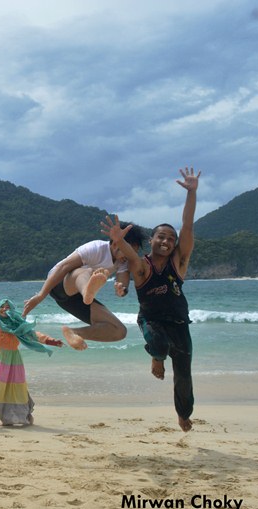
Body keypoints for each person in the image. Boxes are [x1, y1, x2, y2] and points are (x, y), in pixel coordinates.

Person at [102, 166, 200, 433]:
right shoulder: (142, 266)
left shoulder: (179, 262)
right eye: (161, 236)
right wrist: (118, 241)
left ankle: (183, 413)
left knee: (183, 374)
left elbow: (188, 225)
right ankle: (156, 357)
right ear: (152, 240)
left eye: (171, 238)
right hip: (152, 320)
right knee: (158, 342)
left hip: (180, 323)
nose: (166, 241)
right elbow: (129, 257)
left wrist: (192, 193)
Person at [22, 221, 145, 351]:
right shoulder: (96, 248)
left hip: (77, 299)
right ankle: (87, 291)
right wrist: (41, 295)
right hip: (60, 284)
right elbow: (63, 267)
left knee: (119, 330)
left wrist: (121, 290)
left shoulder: (123, 262)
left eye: (133, 252)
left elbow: (122, 282)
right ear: (115, 244)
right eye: (128, 251)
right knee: (86, 271)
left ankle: (74, 332)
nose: (129, 256)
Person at [0, 272, 62, 426]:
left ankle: (24, 416)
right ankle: (6, 418)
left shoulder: (18, 326)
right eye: (2, 306)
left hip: (15, 363)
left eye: (8, 306)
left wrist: (50, 340)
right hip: (2, 363)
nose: (4, 309)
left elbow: (33, 334)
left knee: (17, 390)